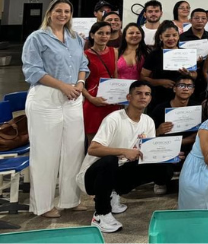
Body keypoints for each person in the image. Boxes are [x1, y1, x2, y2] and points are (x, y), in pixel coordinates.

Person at [77, 80, 178, 233]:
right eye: (138, 93)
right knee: (111, 160)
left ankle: (113, 192)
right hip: (92, 177)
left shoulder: (148, 121)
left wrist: (169, 154)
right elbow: (93, 149)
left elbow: (147, 154)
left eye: (147, 94)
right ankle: (100, 214)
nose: (143, 97)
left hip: (119, 171)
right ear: (129, 97)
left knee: (163, 169)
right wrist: (124, 151)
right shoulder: (114, 119)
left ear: (150, 98)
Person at [22, 0, 90, 218]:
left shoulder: (75, 38)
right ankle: (42, 205)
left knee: (74, 149)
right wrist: (63, 86)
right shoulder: (37, 38)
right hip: (46, 98)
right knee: (46, 153)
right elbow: (33, 71)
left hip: (73, 97)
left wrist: (79, 83)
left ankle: (70, 200)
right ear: (50, 13)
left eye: (67, 11)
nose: (63, 15)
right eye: (59, 11)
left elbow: (83, 65)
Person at [141, 20, 197, 110]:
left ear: (178, 36)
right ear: (161, 37)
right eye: (167, 36)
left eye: (174, 35)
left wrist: (188, 74)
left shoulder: (186, 53)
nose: (171, 39)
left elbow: (194, 75)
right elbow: (143, 77)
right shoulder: (154, 55)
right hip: (160, 98)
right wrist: (159, 82)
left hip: (183, 99)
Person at [82, 21, 121, 142]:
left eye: (107, 33)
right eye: (100, 33)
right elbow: (79, 81)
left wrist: (119, 96)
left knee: (113, 139)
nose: (104, 36)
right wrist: (91, 98)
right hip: (93, 100)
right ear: (92, 35)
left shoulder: (114, 51)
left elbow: (115, 75)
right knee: (93, 141)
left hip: (111, 99)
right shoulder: (84, 55)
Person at [150, 74, 199, 159]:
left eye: (189, 86)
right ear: (174, 89)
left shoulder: (197, 108)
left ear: (193, 90)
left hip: (191, 150)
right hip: (165, 151)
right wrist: (158, 131)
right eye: (181, 85)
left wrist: (178, 142)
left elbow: (200, 134)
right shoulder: (160, 109)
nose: (186, 88)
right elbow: (149, 135)